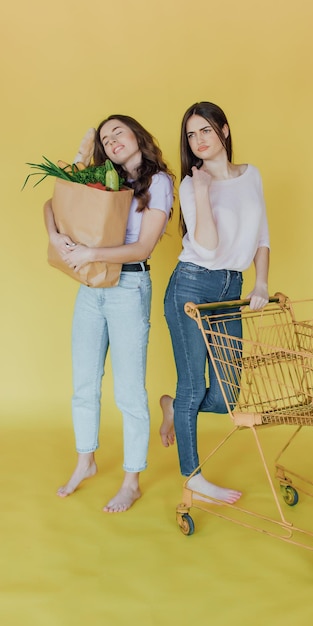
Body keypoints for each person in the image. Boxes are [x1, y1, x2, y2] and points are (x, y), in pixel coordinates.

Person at [44, 114, 174, 512]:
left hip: (129, 288)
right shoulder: (100, 178)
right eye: (105, 137)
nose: (112, 139)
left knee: (130, 392)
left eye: (118, 130)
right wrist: (55, 236)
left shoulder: (160, 183)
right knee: (84, 381)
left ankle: (132, 480)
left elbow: (143, 248)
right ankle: (86, 460)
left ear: (137, 134)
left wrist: (90, 253)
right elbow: (53, 202)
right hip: (92, 287)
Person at [159, 101, 272, 504]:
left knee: (227, 394)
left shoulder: (251, 174)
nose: (198, 140)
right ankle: (193, 477)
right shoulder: (193, 184)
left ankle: (173, 408)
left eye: (205, 130)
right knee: (193, 386)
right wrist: (203, 191)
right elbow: (205, 246)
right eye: (191, 135)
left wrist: (260, 283)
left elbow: (262, 236)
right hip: (191, 285)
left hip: (231, 289)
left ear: (223, 130)